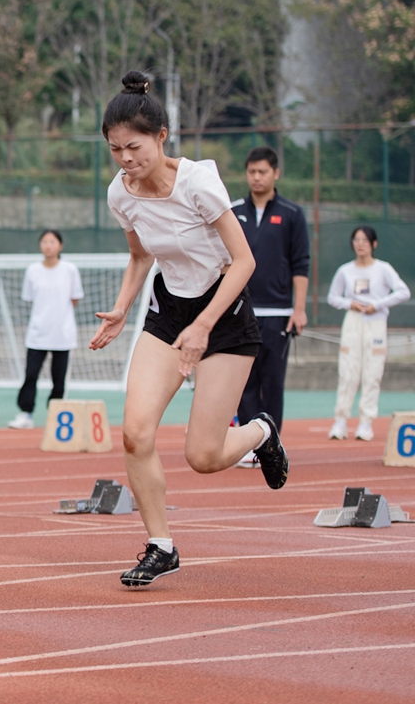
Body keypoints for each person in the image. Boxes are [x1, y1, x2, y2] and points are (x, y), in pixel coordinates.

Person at [90, 71, 288, 587]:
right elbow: (139, 257)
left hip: (223, 315)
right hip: (168, 315)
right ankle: (161, 546)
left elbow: (243, 262)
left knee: (202, 456)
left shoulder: (199, 183)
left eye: (134, 147)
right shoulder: (121, 194)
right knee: (135, 434)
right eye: (114, 150)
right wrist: (121, 309)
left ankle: (261, 431)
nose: (126, 160)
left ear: (161, 136)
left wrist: (204, 326)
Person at [230, 147, 309, 467]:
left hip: (278, 312)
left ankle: (271, 443)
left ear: (276, 173)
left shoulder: (292, 213)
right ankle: (249, 443)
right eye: (251, 172)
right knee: (242, 380)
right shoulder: (233, 211)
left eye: (263, 171)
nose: (257, 177)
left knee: (272, 380)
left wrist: (299, 308)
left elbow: (300, 263)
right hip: (240, 309)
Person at [327, 226, 409, 441]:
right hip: (353, 322)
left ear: (374, 244)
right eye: (356, 240)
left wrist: (378, 304)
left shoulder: (383, 269)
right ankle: (340, 421)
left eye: (365, 240)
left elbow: (403, 291)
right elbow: (333, 297)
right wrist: (349, 303)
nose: (360, 244)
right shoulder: (345, 270)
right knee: (348, 370)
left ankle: (366, 423)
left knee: (372, 372)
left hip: (376, 322)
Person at [9, 230, 83, 430]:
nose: (48, 245)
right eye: (44, 241)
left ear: (61, 246)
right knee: (31, 375)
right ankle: (26, 413)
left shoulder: (70, 269)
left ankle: (56, 417)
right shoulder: (33, 270)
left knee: (58, 379)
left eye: (52, 242)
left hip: (63, 334)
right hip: (37, 334)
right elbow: (31, 298)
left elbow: (74, 298)